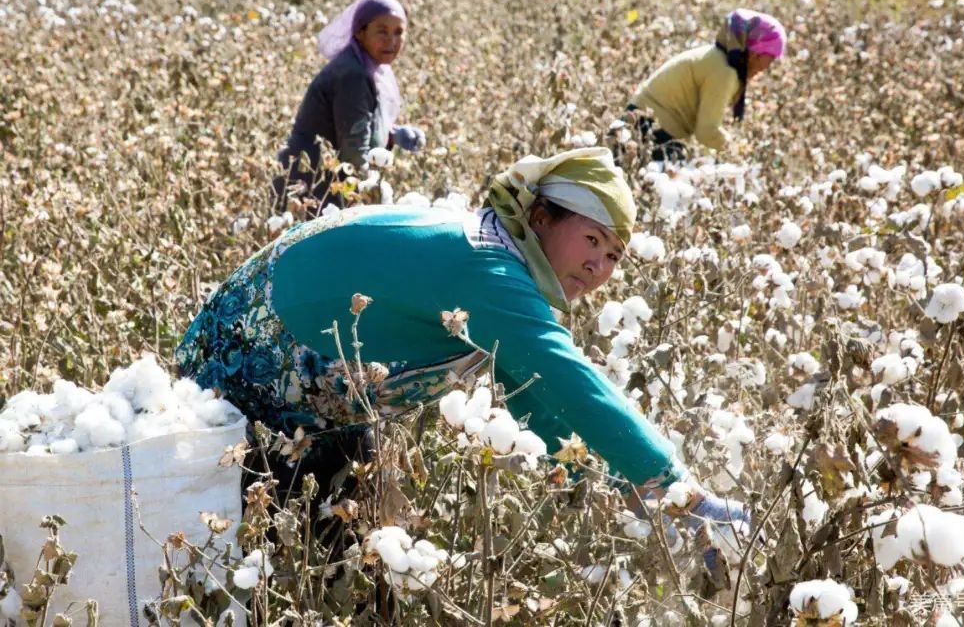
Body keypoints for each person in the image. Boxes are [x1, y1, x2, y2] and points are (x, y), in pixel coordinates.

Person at [180, 147, 745, 565]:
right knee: (274, 559)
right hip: (248, 367)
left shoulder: (491, 254)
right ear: (542, 217)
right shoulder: (487, 268)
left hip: (316, 403)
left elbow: (538, 401)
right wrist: (680, 490)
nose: (600, 266)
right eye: (592, 239)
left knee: (348, 554)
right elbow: (568, 379)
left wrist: (612, 488)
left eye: (615, 253)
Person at [273, 0, 426, 215]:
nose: (391, 41)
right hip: (312, 188)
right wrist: (374, 196)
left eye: (398, 32)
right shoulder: (353, 75)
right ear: (359, 32)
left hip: (318, 184)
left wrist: (392, 135)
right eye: (382, 31)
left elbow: (358, 123)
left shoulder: (366, 66)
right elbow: (354, 154)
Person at [626, 8, 785, 161]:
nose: (767, 68)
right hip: (648, 129)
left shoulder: (716, 58)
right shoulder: (724, 72)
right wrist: (739, 151)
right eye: (770, 59)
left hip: (637, 122)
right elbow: (707, 131)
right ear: (755, 53)